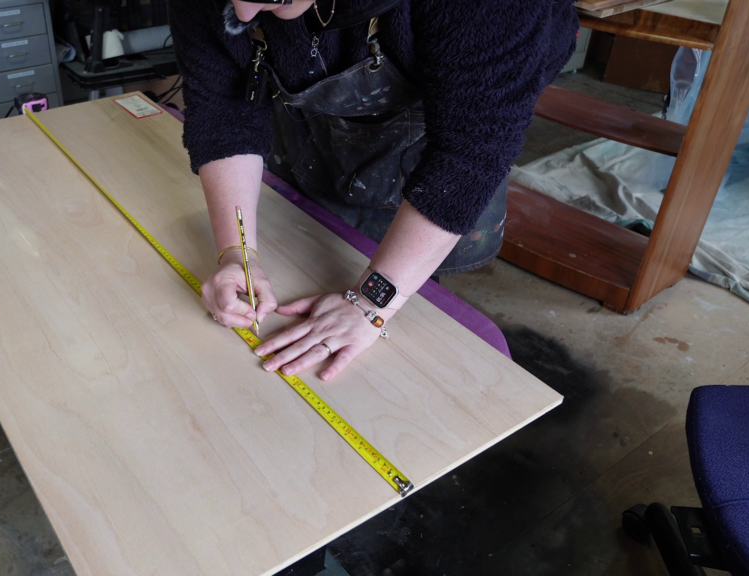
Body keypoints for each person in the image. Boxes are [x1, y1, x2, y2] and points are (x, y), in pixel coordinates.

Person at [168, 0, 578, 380]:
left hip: (453, 121)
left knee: (415, 339)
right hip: (317, 117)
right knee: (311, 239)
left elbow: (470, 151)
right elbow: (224, 108)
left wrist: (371, 305)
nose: (241, 11)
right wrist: (236, 253)